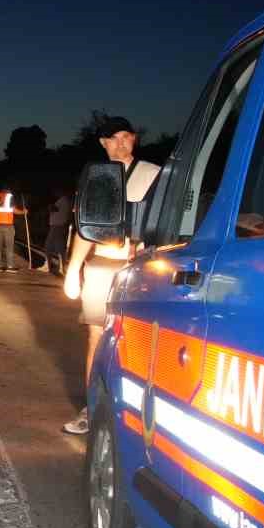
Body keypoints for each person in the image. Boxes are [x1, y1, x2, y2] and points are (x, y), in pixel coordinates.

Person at [61, 116, 161, 434]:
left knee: (138, 342)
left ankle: (134, 418)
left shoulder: (153, 175)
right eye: (113, 137)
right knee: (97, 337)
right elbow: (85, 229)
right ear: (102, 143)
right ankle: (92, 409)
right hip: (103, 266)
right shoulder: (98, 178)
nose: (121, 142)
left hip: (141, 270)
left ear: (135, 140)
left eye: (127, 136)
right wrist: (73, 269)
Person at [0, 188, 26, 271]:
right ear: (8, 191)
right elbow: (14, 210)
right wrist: (23, 212)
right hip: (7, 225)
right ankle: (10, 266)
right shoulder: (9, 197)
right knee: (9, 246)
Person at [44, 189, 72, 275]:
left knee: (48, 245)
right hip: (59, 226)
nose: (55, 194)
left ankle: (47, 266)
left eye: (57, 192)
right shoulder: (64, 201)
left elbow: (54, 208)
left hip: (57, 226)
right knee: (59, 247)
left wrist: (50, 206)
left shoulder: (63, 200)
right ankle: (61, 268)